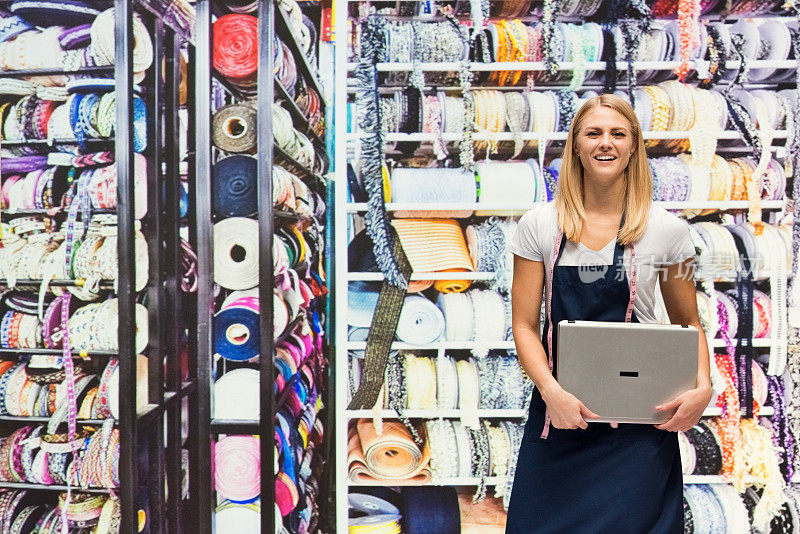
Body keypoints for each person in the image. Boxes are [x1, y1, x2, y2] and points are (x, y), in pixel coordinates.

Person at [505, 94, 712, 533]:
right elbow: (523, 325)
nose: (606, 143)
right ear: (576, 146)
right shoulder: (539, 225)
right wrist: (551, 393)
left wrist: (703, 388)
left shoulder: (670, 230)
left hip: (640, 429)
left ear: (634, 146)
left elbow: (688, 323)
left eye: (618, 134)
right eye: (593, 133)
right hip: (560, 419)